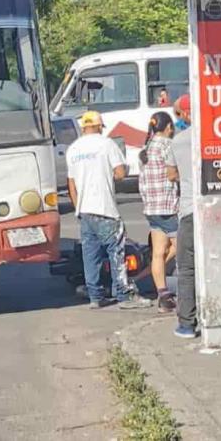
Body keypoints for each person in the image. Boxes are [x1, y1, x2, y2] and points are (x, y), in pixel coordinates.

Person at [66, 110, 152, 310]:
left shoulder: (73, 149)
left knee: (91, 254)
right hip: (105, 208)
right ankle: (123, 294)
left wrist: (79, 206)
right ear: (98, 126)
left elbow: (71, 184)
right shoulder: (107, 144)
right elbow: (120, 173)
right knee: (116, 252)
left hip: (85, 210)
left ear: (83, 127)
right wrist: (124, 169)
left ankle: (95, 296)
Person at [138, 111, 180, 312]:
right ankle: (171, 292)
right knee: (182, 246)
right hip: (168, 206)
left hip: (151, 208)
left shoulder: (145, 148)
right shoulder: (168, 146)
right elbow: (174, 174)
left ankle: (163, 296)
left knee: (157, 253)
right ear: (169, 127)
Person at [170, 94, 199, 338]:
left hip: (190, 209)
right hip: (217, 207)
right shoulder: (216, 135)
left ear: (187, 114)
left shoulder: (178, 141)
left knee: (187, 268)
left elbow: (172, 175)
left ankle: (187, 323)